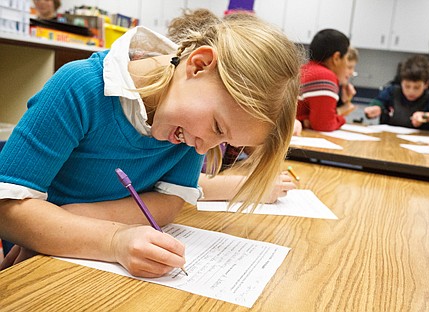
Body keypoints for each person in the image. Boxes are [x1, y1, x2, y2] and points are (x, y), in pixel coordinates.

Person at [0, 13, 302, 277]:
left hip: (81, 261)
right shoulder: (80, 87)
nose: (202, 148)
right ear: (199, 65)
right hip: (34, 268)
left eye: (223, 140)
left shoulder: (185, 127)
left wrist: (72, 220)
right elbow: (7, 208)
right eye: (217, 127)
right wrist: (112, 240)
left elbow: (169, 203)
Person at [168, 9, 298, 203]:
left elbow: (253, 144)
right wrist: (248, 189)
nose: (204, 146)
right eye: (218, 127)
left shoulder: (217, 112)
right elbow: (172, 185)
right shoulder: (178, 122)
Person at [364, 55, 429, 130]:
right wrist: (374, 109)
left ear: (426, 84)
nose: (411, 91)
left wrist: (425, 116)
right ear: (401, 81)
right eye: (407, 86)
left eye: (416, 87)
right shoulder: (392, 90)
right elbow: (378, 102)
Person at [296, 29, 350, 132]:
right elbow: (324, 125)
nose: (347, 64)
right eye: (346, 58)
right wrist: (342, 120)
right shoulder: (324, 77)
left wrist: (305, 120)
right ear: (337, 58)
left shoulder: (304, 69)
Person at [336, 46, 359, 117]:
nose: (352, 72)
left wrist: (344, 101)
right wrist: (344, 108)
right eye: (349, 67)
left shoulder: (340, 87)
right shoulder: (327, 84)